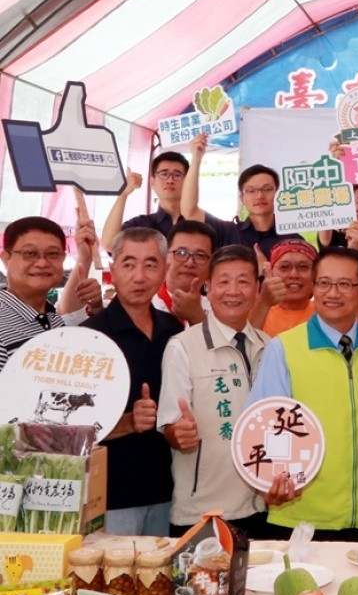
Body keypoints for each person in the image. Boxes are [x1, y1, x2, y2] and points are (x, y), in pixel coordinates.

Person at [246, 247, 358, 537]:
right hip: (303, 517)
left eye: (344, 284)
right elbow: (260, 426)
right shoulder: (283, 348)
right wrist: (268, 481)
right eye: (324, 283)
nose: (332, 293)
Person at [158, 245, 285, 536]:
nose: (233, 291)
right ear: (209, 288)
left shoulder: (269, 346)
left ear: (257, 289)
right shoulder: (183, 346)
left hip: (259, 507)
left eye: (243, 281)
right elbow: (170, 427)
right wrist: (178, 433)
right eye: (224, 281)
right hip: (202, 513)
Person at [83, 228, 182, 536]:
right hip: (112, 496)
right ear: (112, 270)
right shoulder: (90, 336)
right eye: (128, 264)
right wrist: (128, 422)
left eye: (151, 264)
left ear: (165, 269)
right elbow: (70, 426)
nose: (139, 276)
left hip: (167, 490)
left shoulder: (173, 330)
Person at [0, 216, 102, 372]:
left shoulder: (53, 320)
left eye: (53, 254)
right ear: (6, 258)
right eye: (30, 253)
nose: (42, 263)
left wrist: (85, 257)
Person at [180, 134, 302, 258]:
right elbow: (190, 212)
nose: (259, 195)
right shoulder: (228, 232)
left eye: (267, 189)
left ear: (278, 195)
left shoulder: (293, 240)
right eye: (251, 190)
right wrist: (196, 158)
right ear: (242, 198)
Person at [102, 151, 224, 251]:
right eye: (164, 174)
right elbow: (109, 244)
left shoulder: (203, 222)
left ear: (188, 181)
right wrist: (123, 194)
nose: (170, 180)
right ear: (152, 182)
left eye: (177, 175)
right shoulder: (141, 224)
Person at [155, 220, 218, 326]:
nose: (190, 263)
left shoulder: (219, 312)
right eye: (181, 253)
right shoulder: (143, 305)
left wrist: (197, 317)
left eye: (200, 256)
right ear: (165, 257)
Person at [251, 239, 318, 337]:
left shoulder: (330, 313)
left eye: (303, 267)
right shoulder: (255, 313)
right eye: (284, 267)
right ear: (271, 272)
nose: (294, 275)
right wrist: (263, 303)